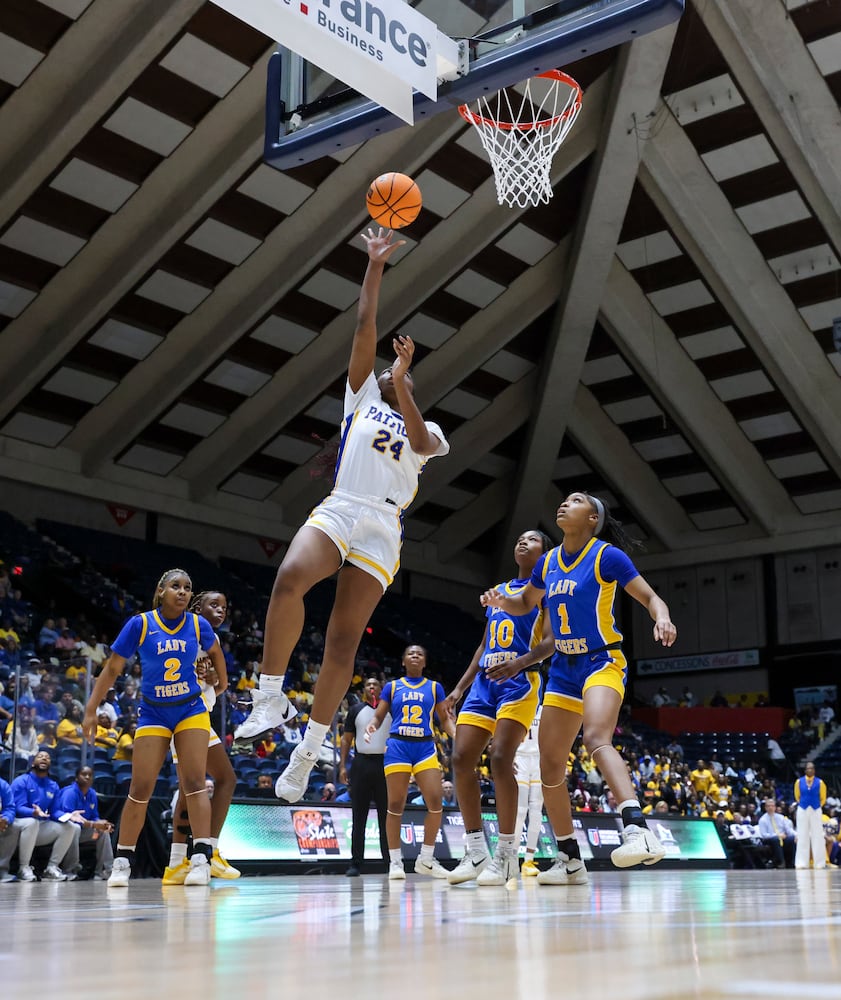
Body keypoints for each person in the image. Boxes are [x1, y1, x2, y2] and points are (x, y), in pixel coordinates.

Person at [233, 229, 450, 811]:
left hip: (383, 525)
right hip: (342, 504)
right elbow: (363, 329)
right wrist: (375, 265)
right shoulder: (360, 400)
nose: (384, 371)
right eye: (383, 374)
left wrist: (404, 381)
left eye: (395, 376)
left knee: (342, 639)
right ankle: (270, 696)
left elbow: (424, 439)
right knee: (288, 578)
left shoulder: (425, 432)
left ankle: (309, 750)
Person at [481, 491, 676, 882]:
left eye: (577, 500)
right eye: (565, 500)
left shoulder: (607, 556)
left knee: (597, 738)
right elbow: (526, 604)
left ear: (593, 519)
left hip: (602, 660)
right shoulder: (549, 562)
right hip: (564, 669)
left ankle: (638, 830)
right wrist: (501, 600)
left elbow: (649, 596)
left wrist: (663, 618)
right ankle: (570, 860)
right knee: (551, 766)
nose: (565, 503)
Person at [83, 568, 227, 887]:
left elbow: (217, 654)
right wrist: (91, 708)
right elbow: (112, 669)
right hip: (153, 712)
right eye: (175, 586)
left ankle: (201, 858)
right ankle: (122, 862)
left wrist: (219, 687)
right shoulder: (141, 623)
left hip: (190, 709)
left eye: (188, 588)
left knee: (194, 783)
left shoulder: (198, 624)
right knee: (140, 789)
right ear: (161, 591)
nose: (183, 592)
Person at [445, 529, 555, 886]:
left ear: (545, 552)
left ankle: (508, 854)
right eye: (519, 538)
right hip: (483, 682)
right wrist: (458, 689)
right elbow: (482, 646)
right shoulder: (500, 590)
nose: (522, 542)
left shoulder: (546, 590)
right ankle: (477, 849)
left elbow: (552, 642)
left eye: (532, 539)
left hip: (520, 681)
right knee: (460, 759)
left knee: (501, 758)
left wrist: (520, 663)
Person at [163, 591, 239, 884]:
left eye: (224, 606)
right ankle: (205, 853)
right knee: (218, 780)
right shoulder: (186, 631)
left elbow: (220, 689)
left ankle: (178, 863)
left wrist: (212, 681)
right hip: (184, 716)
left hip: (199, 715)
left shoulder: (211, 639)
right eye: (214, 605)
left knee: (193, 788)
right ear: (197, 608)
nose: (221, 610)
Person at [364, 645, 455, 879]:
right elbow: (379, 714)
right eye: (410, 653)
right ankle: (395, 862)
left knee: (436, 803)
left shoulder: (435, 688)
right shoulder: (392, 687)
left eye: (420, 654)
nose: (415, 656)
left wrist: (457, 735)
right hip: (398, 747)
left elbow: (444, 719)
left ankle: (425, 859)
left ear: (424, 662)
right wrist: (372, 725)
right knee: (395, 804)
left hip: (424, 746)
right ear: (403, 661)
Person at [339, 676, 390, 877]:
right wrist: (343, 766)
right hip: (361, 763)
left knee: (386, 818)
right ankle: (355, 863)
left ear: (381, 689)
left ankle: (390, 862)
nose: (371, 687)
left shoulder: (391, 710)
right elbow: (346, 739)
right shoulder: (355, 710)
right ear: (364, 690)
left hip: (385, 764)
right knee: (358, 816)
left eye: (375, 684)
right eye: (368, 685)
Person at [11, 750, 80, 881]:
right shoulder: (21, 781)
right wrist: (33, 812)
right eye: (40, 757)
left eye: (47, 758)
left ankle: (51, 868)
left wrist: (68, 816)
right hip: (20, 827)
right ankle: (23, 868)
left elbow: (54, 811)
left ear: (50, 764)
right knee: (32, 822)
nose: (44, 759)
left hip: (39, 827)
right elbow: (17, 808)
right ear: (32, 763)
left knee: (70, 827)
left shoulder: (53, 785)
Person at [54, 765, 114, 880]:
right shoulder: (69, 793)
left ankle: (104, 870)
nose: (87, 777)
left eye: (90, 775)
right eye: (84, 774)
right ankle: (70, 869)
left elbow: (94, 816)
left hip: (84, 831)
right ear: (76, 778)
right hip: (66, 831)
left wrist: (99, 822)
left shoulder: (92, 793)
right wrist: (93, 824)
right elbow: (68, 819)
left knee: (103, 831)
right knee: (74, 828)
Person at [513, 704, 545, 877]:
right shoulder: (519, 704)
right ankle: (512, 857)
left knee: (536, 812)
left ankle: (528, 860)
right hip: (520, 759)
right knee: (519, 811)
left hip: (539, 760)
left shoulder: (545, 709)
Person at [794, 761, 827, 870]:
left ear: (814, 770)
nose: (810, 770)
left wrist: (817, 806)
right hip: (802, 809)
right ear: (805, 770)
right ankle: (801, 863)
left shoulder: (820, 782)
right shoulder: (798, 782)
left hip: (816, 809)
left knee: (818, 836)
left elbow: (823, 797)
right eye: (808, 768)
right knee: (802, 835)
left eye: (812, 768)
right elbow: (797, 796)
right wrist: (803, 804)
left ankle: (820, 863)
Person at [757, 798, 795, 869]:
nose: (770, 807)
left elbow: (789, 830)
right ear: (765, 808)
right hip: (769, 839)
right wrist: (778, 835)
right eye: (768, 806)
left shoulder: (781, 817)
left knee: (792, 839)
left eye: (772, 806)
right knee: (776, 839)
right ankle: (780, 862)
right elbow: (764, 835)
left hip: (782, 837)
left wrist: (796, 835)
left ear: (775, 807)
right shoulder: (762, 820)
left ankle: (792, 862)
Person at [0, 776, 24, 881]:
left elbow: (10, 808)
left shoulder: (2, 784)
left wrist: (5, 819)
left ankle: (2, 871)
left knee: (14, 826)